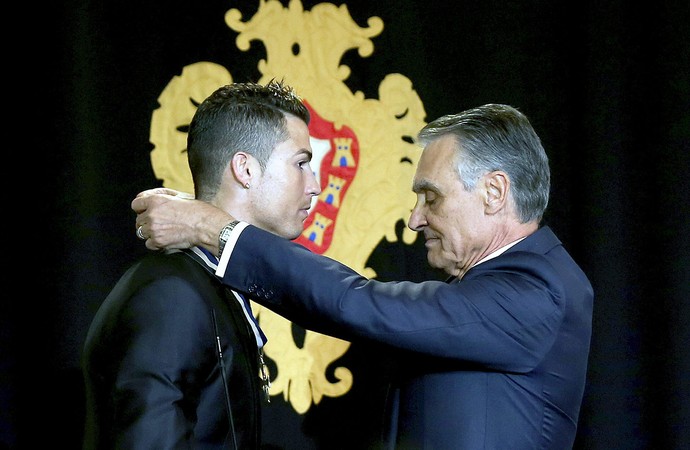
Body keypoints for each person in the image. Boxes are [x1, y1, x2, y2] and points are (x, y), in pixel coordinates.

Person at [132, 103, 594, 449]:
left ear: (494, 192)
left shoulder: (540, 290)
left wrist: (211, 228)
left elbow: (359, 303)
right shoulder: (498, 287)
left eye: (430, 198)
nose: (415, 220)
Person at [82, 79, 320, 449]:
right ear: (245, 169)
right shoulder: (172, 295)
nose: (315, 184)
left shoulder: (208, 284)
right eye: (301, 163)